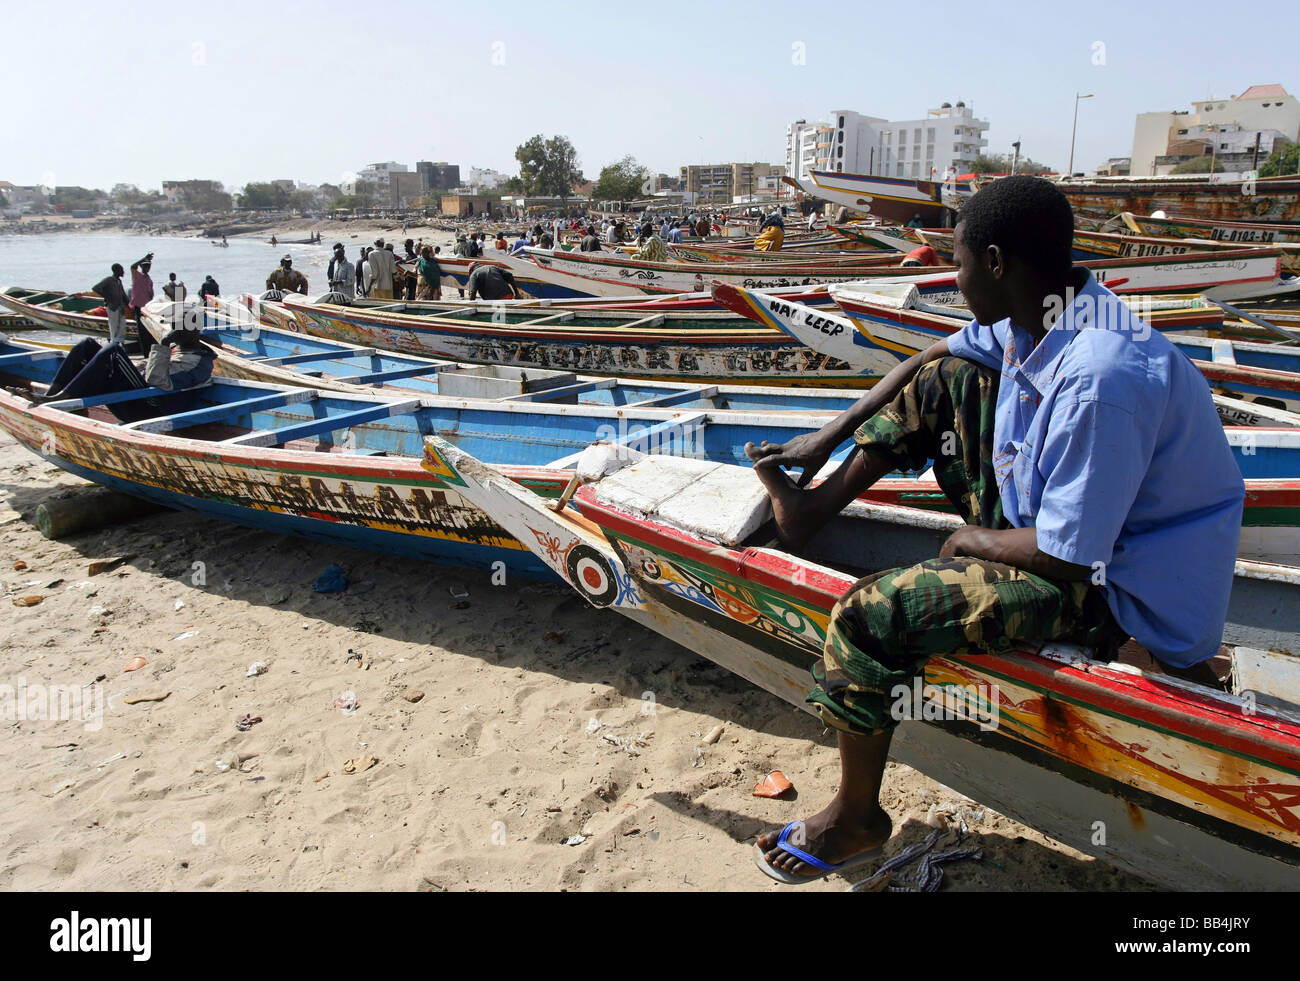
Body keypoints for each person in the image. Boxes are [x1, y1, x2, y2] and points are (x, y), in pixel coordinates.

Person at [747, 176, 1245, 883]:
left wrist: (967, 543)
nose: (955, 278)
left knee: (867, 614)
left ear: (999, 263)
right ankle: (808, 513)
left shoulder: (1102, 376)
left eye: (960, 261)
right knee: (944, 377)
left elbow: (1073, 557)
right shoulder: (1038, 311)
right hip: (1064, 533)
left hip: (1116, 593)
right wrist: (828, 436)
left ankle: (855, 821)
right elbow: (926, 361)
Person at [91, 263, 130, 344]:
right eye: (121, 270)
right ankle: (114, 344)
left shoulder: (119, 281)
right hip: (113, 307)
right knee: (114, 327)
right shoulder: (109, 280)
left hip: (120, 308)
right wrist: (108, 297)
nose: (123, 272)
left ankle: (119, 343)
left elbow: (123, 294)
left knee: (122, 327)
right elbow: (96, 288)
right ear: (116, 271)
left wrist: (130, 305)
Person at [128, 253, 156, 354]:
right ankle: (145, 353)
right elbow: (132, 266)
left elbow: (150, 295)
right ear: (141, 267)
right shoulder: (137, 275)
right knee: (142, 332)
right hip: (138, 307)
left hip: (147, 308)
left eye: (148, 266)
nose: (147, 268)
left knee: (149, 331)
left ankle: (149, 352)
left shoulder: (149, 279)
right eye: (144, 266)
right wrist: (144, 258)